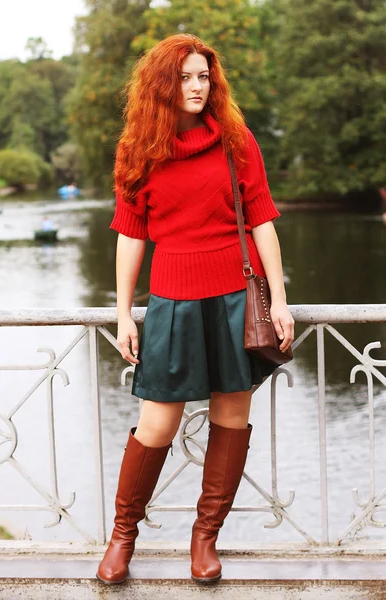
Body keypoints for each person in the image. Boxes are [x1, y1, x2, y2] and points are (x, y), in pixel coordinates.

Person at [97, 34, 294, 585]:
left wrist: (279, 299)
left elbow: (262, 222)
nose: (196, 86)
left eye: (203, 76)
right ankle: (122, 537)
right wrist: (122, 313)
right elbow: (130, 235)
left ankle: (204, 539)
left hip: (235, 299)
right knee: (156, 423)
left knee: (232, 416)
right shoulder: (138, 149)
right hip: (172, 303)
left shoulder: (236, 140)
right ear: (162, 85)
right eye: (184, 77)